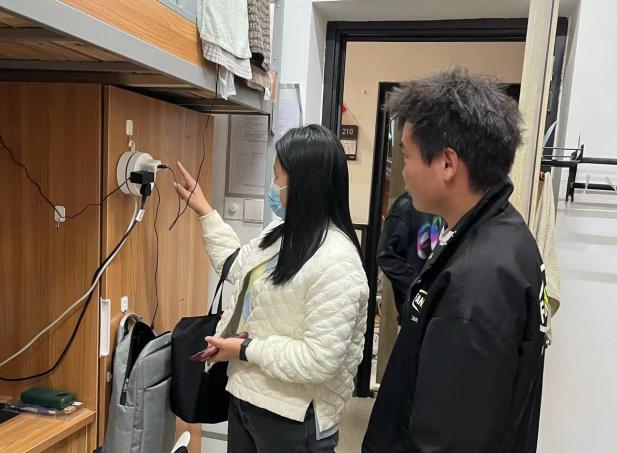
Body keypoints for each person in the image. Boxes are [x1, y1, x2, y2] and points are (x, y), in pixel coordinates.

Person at [363, 68, 549, 453]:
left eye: (407, 157)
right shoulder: (493, 233)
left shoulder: (481, 278)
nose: (404, 172)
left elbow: (449, 438)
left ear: (447, 163)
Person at [175, 124, 369, 453]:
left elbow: (319, 359)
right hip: (245, 398)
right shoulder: (281, 232)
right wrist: (204, 210)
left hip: (294, 418)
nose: (272, 185)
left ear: (303, 183)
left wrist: (245, 350)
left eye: (277, 176)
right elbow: (236, 267)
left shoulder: (338, 260)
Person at [377, 193, 443, 322]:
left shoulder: (447, 203)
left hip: (441, 305)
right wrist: (418, 287)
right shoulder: (405, 206)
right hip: (415, 309)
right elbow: (386, 255)